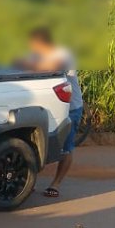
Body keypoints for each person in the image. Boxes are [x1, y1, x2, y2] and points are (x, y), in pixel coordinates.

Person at [22, 27, 83, 198]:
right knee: (36, 144)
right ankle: (29, 182)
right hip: (45, 107)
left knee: (67, 147)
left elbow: (60, 76)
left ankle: (56, 184)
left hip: (70, 108)